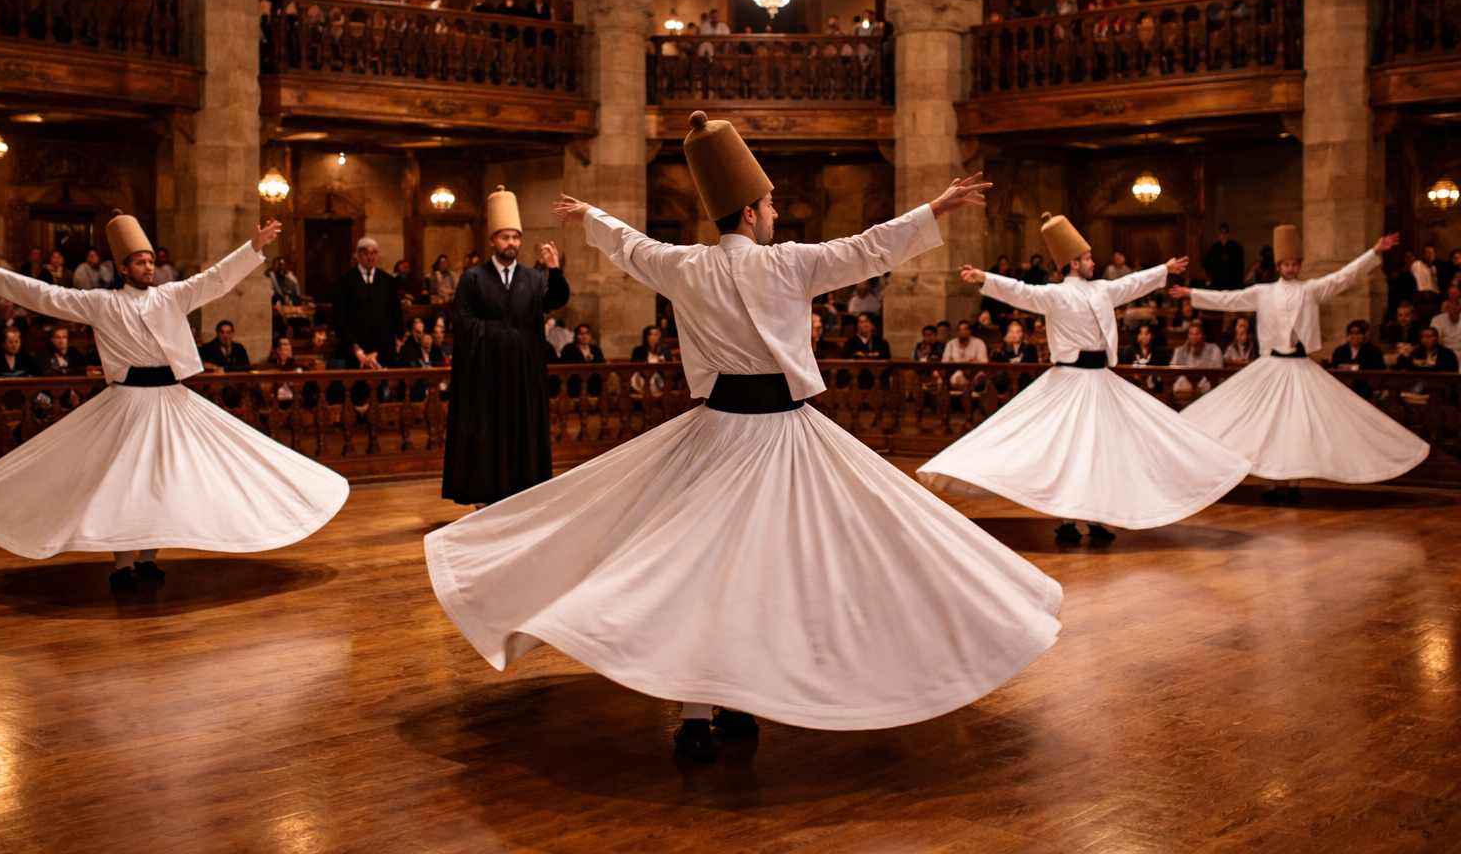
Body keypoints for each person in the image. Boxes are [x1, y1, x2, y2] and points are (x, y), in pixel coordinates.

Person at [426, 111, 1060, 764]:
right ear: (752, 214)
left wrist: (589, 216)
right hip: (783, 438)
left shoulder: (685, 267)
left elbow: (629, 244)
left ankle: (702, 713)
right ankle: (738, 697)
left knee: (707, 570)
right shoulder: (788, 265)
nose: (777, 212)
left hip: (714, 435)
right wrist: (939, 205)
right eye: (772, 204)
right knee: (793, 565)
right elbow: (871, 247)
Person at [0, 211, 348, 589]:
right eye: (139, 262)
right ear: (123, 268)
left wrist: (253, 247)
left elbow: (215, 279)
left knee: (165, 480)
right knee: (125, 484)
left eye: (150, 261)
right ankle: (122, 566)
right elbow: (48, 295)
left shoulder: (171, 296)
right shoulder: (102, 302)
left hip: (170, 400)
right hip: (125, 402)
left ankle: (147, 558)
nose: (148, 267)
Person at [918, 213, 1250, 542]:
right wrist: (984, 278)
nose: (1094, 262)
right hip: (1068, 381)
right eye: (1088, 257)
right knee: (1068, 451)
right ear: (1075, 263)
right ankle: (1067, 519)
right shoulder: (1055, 294)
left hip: (1099, 379)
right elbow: (1020, 291)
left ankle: (1097, 518)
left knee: (1100, 452)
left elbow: (1131, 284)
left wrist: (1164, 270)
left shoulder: (1102, 290)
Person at [1171, 224, 1429, 503]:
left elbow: (1345, 276)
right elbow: (1229, 298)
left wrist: (1375, 251)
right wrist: (1191, 293)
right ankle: (1270, 484)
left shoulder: (1311, 289)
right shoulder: (1263, 292)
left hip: (1300, 367)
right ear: (1279, 265)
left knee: (1296, 427)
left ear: (1299, 265)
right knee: (1267, 426)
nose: (1291, 268)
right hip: (1270, 367)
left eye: (1295, 264)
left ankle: (1293, 484)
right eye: (1286, 264)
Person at [443, 186, 570, 508]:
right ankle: (485, 493)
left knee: (522, 430)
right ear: (492, 241)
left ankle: (524, 490)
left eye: (515, 237)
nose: (511, 243)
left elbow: (555, 301)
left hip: (524, 375)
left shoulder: (533, 278)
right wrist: (505, 336)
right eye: (504, 237)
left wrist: (554, 269)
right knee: (488, 431)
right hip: (486, 375)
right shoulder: (473, 278)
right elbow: (463, 323)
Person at [331, 238, 403, 371]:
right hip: (356, 352)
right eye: (366, 253)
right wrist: (356, 349)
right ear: (358, 256)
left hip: (383, 352)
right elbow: (339, 315)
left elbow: (396, 312)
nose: (371, 257)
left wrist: (398, 338)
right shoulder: (345, 280)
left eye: (373, 253)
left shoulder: (387, 281)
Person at [1170, 319, 1224, 397]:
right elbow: (1172, 370)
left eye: (1197, 334)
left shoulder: (1214, 349)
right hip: (1186, 388)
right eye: (1191, 334)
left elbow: (1220, 372)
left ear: (1203, 335)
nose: (1194, 337)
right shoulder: (1180, 351)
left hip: (1206, 387)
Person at [1395, 326, 1460, 372]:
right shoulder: (1416, 353)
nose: (1427, 339)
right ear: (1421, 339)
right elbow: (1408, 367)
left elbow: (1452, 371)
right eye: (1424, 336)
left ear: (1436, 338)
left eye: (1430, 336)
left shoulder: (1448, 354)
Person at [1203, 223, 1246, 290]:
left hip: (1232, 283)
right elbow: (1208, 264)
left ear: (1228, 234)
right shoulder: (1213, 249)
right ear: (1219, 234)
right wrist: (1209, 277)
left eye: (1225, 233)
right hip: (1216, 283)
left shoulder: (1236, 248)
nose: (1223, 235)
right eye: (1222, 233)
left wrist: (1239, 282)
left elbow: (1239, 266)